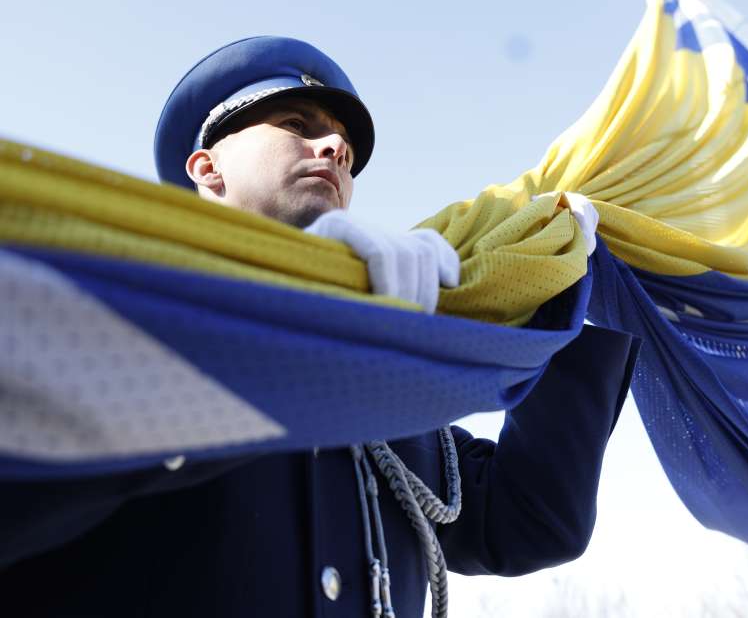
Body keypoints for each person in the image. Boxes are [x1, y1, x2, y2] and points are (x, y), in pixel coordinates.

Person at [0, 36, 639, 617]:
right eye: (295, 126)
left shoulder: (389, 392)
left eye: (345, 150)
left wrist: (571, 286)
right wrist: (291, 318)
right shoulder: (105, 317)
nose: (334, 149)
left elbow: (532, 521)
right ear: (208, 169)